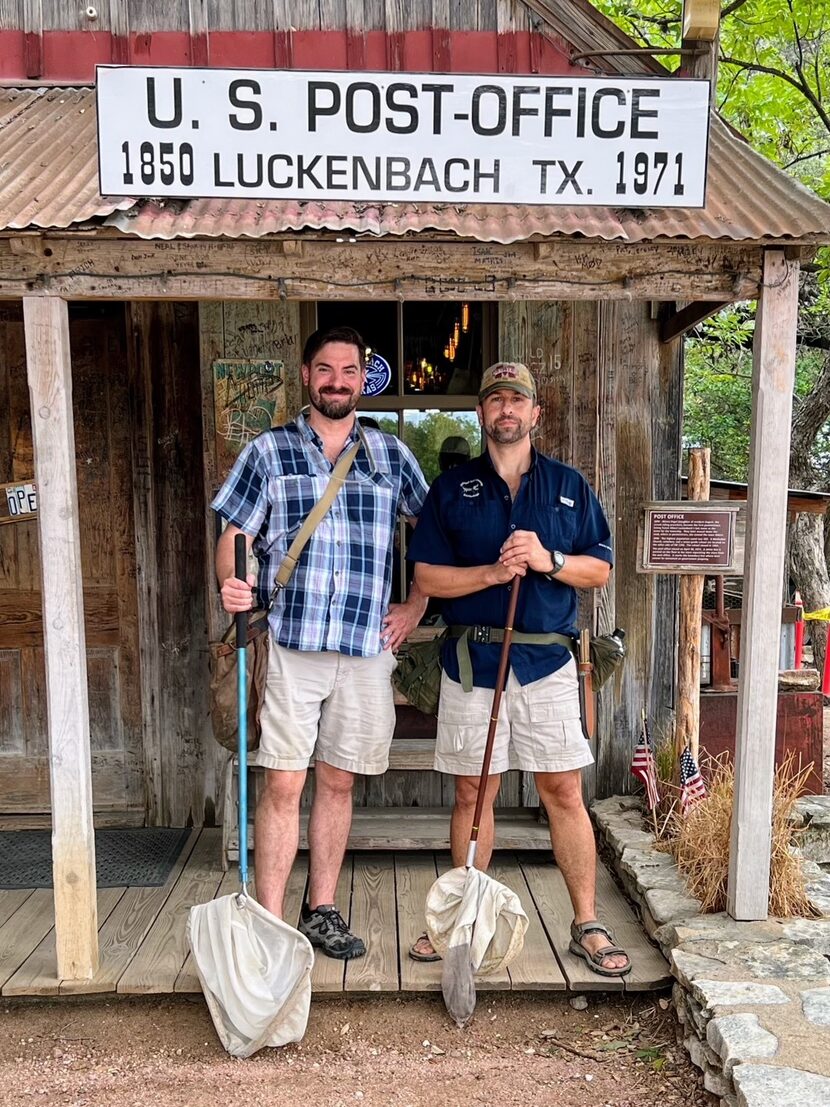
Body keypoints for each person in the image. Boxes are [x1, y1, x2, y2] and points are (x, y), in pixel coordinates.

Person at [406, 361, 631, 977]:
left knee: (563, 791)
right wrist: (491, 573)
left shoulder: (568, 486)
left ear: (535, 413)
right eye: (495, 399)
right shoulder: (451, 490)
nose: (507, 409)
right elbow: (426, 577)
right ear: (481, 414)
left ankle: (586, 920)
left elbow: (600, 568)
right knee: (474, 790)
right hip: (473, 661)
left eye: (518, 400)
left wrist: (547, 557)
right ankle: (462, 919)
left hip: (547, 662)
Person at [212, 326, 429, 960]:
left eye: (349, 371)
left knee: (338, 781)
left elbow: (438, 532)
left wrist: (416, 604)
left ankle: (321, 908)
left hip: (366, 647)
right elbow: (235, 535)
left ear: (364, 379)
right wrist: (233, 583)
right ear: (307, 375)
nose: (338, 380)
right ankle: (269, 920)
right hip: (293, 643)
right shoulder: (267, 452)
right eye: (325, 369)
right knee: (283, 782)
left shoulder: (390, 455)